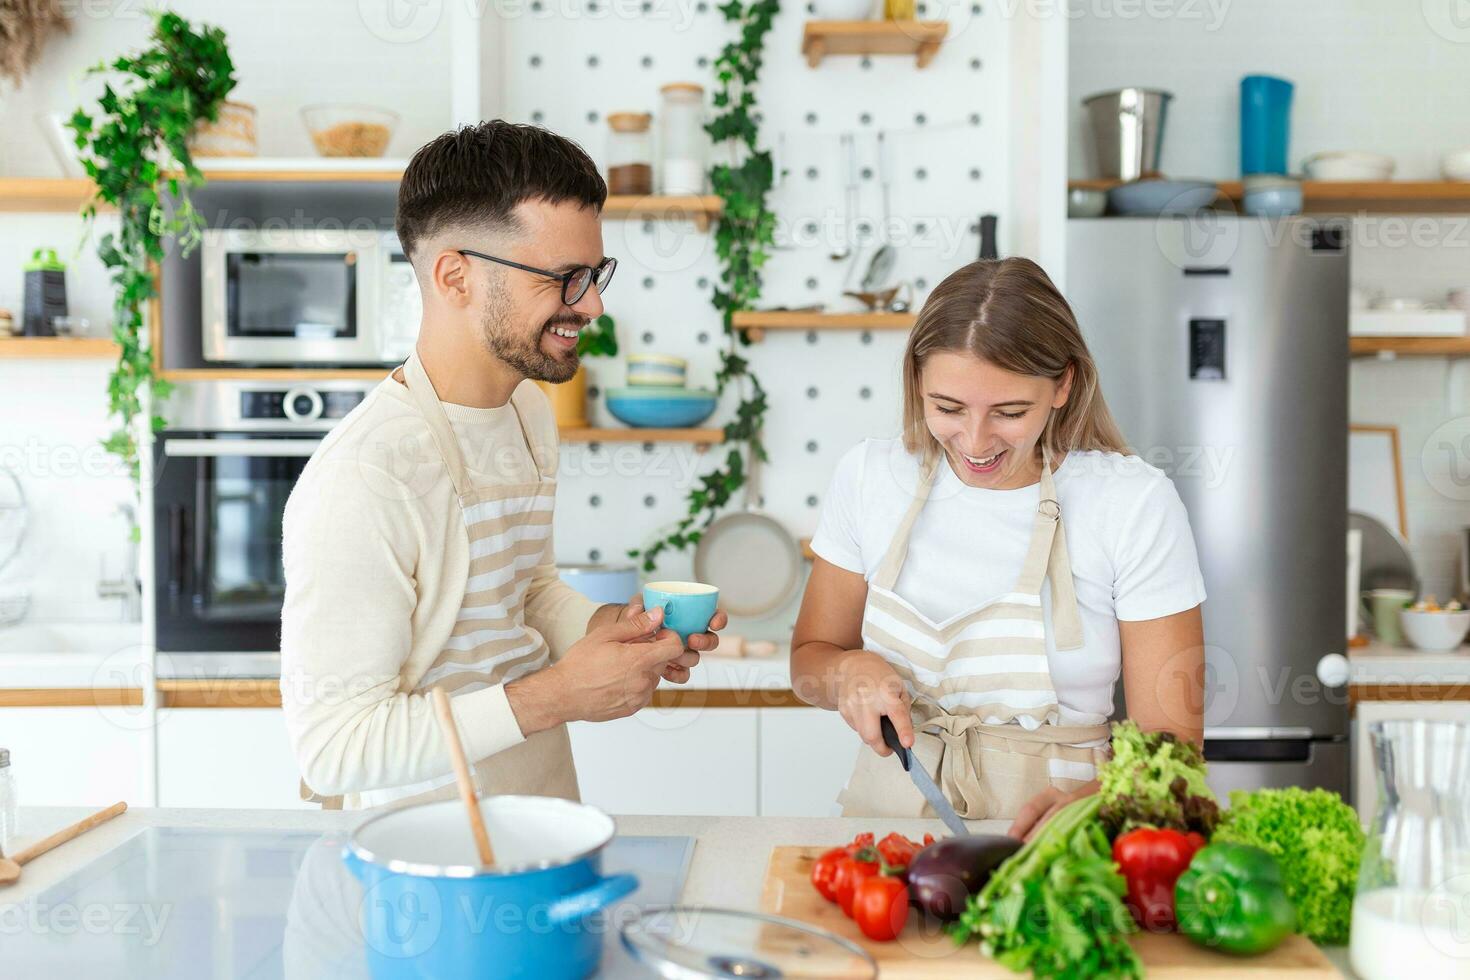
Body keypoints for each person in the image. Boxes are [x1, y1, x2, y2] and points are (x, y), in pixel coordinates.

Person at [280, 121, 725, 809]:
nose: (594, 304)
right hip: (421, 853)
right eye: (564, 279)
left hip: (540, 807)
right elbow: (335, 749)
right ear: (455, 276)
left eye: (595, 275)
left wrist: (607, 631)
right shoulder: (367, 475)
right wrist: (558, 694)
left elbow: (527, 591)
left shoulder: (527, 412)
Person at [791, 257, 1206, 839]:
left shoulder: (1132, 502)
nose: (977, 442)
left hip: (1059, 844)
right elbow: (807, 663)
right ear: (916, 383)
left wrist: (1095, 806)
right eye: (948, 408)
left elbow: (1173, 757)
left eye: (1010, 412)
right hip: (886, 834)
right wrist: (844, 671)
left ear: (1063, 384)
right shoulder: (867, 476)